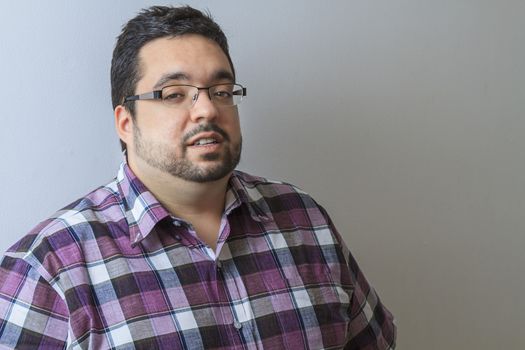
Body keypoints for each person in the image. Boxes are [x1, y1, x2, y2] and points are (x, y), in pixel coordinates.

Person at [0, 5, 396, 349]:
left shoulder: (305, 220)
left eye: (221, 91)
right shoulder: (48, 269)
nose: (207, 109)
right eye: (173, 94)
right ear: (125, 122)